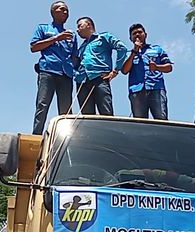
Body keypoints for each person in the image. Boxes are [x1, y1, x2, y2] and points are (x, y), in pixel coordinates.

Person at [30, 1, 78, 135]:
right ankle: (37, 135)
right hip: (48, 71)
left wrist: (73, 67)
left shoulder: (72, 34)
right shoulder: (43, 28)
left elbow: (75, 55)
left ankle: (66, 137)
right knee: (42, 104)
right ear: (53, 12)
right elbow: (34, 47)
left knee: (66, 110)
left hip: (66, 74)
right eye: (61, 9)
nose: (65, 12)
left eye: (67, 10)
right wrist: (56, 38)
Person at [74, 17, 128, 115]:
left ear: (88, 25)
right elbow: (75, 64)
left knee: (106, 112)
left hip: (100, 78)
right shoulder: (81, 47)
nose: (77, 30)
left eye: (80, 26)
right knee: (87, 118)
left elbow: (122, 48)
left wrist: (116, 70)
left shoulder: (103, 37)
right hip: (82, 81)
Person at [121, 23, 173, 120]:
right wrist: (134, 52)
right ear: (130, 38)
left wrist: (157, 67)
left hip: (156, 88)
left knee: (161, 120)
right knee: (140, 124)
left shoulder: (157, 49)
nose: (137, 35)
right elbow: (124, 70)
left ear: (145, 34)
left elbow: (169, 67)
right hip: (137, 91)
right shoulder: (128, 54)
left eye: (140, 32)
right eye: (134, 33)